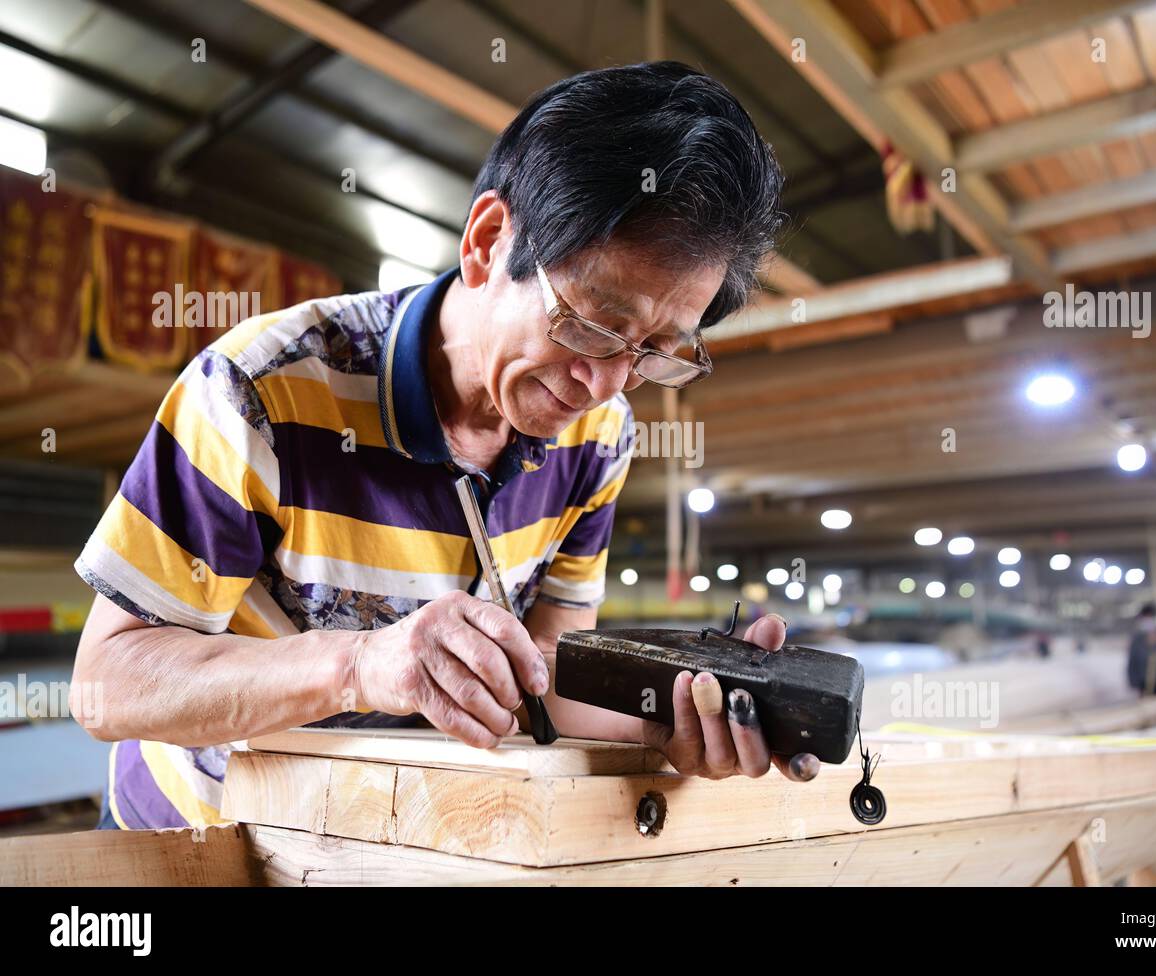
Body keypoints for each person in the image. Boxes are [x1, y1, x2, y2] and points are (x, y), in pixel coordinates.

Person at [70, 62, 804, 831]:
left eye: (655, 348)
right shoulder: (261, 391)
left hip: (384, 839)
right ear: (488, 241)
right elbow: (107, 683)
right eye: (592, 323)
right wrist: (360, 665)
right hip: (199, 834)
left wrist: (658, 719)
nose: (605, 382)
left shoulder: (598, 437)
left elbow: (543, 678)